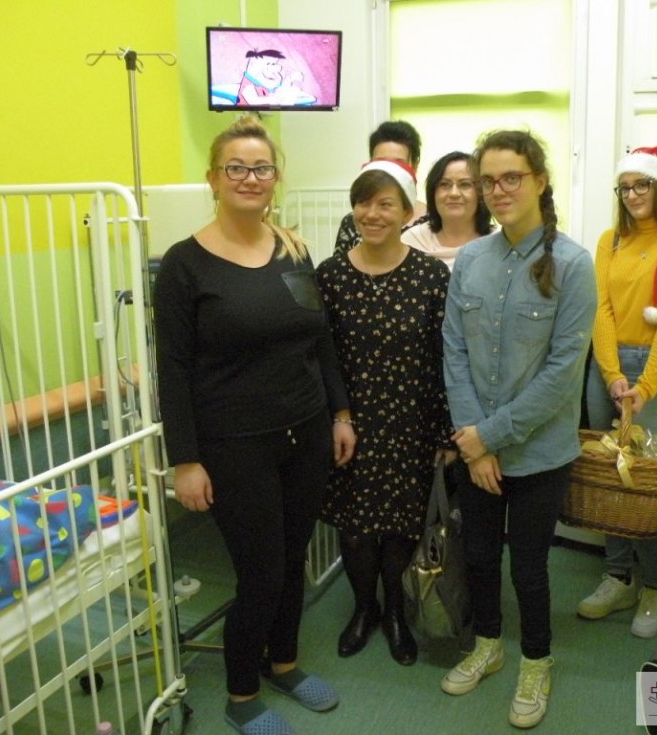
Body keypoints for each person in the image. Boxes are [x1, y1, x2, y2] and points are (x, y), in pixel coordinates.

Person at [153, 115, 355, 735]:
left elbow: (320, 341)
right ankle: (241, 694)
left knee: (293, 559)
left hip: (305, 432)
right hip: (234, 445)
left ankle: (283, 662)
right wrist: (185, 459)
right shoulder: (184, 266)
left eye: (261, 167)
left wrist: (340, 413)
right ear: (213, 178)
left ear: (275, 179)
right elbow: (172, 368)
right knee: (261, 571)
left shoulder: (293, 250)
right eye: (235, 167)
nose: (249, 177)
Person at [440, 129, 596, 729]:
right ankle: (488, 644)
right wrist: (472, 441)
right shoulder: (471, 260)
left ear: (540, 182)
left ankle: (536, 660)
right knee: (480, 556)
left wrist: (492, 436)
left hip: (538, 452)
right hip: (476, 447)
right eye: (489, 181)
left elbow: (562, 374)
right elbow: (455, 351)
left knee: (528, 566)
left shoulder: (573, 265)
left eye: (512, 178)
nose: (498, 190)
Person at [316, 159, 455, 666]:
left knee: (401, 525)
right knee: (355, 527)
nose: (372, 214)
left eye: (385, 204)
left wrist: (444, 430)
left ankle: (395, 609)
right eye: (363, 202)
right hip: (350, 423)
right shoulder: (329, 276)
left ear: (407, 211)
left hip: (410, 421)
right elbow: (322, 354)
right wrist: (339, 415)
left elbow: (445, 356)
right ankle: (364, 608)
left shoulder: (431, 276)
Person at [576, 145, 657, 639]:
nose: (631, 195)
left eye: (641, 185)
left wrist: (645, 385)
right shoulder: (609, 240)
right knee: (609, 477)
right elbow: (600, 310)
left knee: (644, 483)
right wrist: (610, 372)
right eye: (624, 187)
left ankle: (656, 584)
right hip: (605, 367)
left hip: (654, 367)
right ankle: (619, 577)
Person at [332, 120, 428, 255]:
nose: (388, 170)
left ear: (415, 166)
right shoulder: (352, 223)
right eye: (380, 162)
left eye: (398, 164)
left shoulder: (432, 221)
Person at [401, 150, 495, 271]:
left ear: (481, 193)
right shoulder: (412, 240)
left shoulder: (499, 243)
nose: (454, 193)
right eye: (444, 185)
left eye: (465, 185)